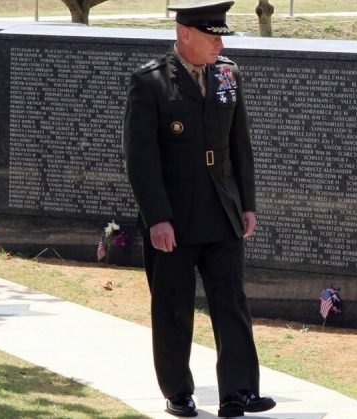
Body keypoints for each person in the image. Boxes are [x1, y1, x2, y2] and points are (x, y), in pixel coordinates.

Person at [122, 1, 275, 417]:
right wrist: (157, 218)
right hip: (174, 218)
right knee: (174, 306)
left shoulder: (228, 74)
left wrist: (248, 205)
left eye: (221, 36)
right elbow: (141, 160)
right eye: (212, 36)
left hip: (222, 211)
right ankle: (177, 391)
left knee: (232, 302)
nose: (219, 43)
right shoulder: (150, 82)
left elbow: (239, 146)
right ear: (184, 33)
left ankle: (238, 393)